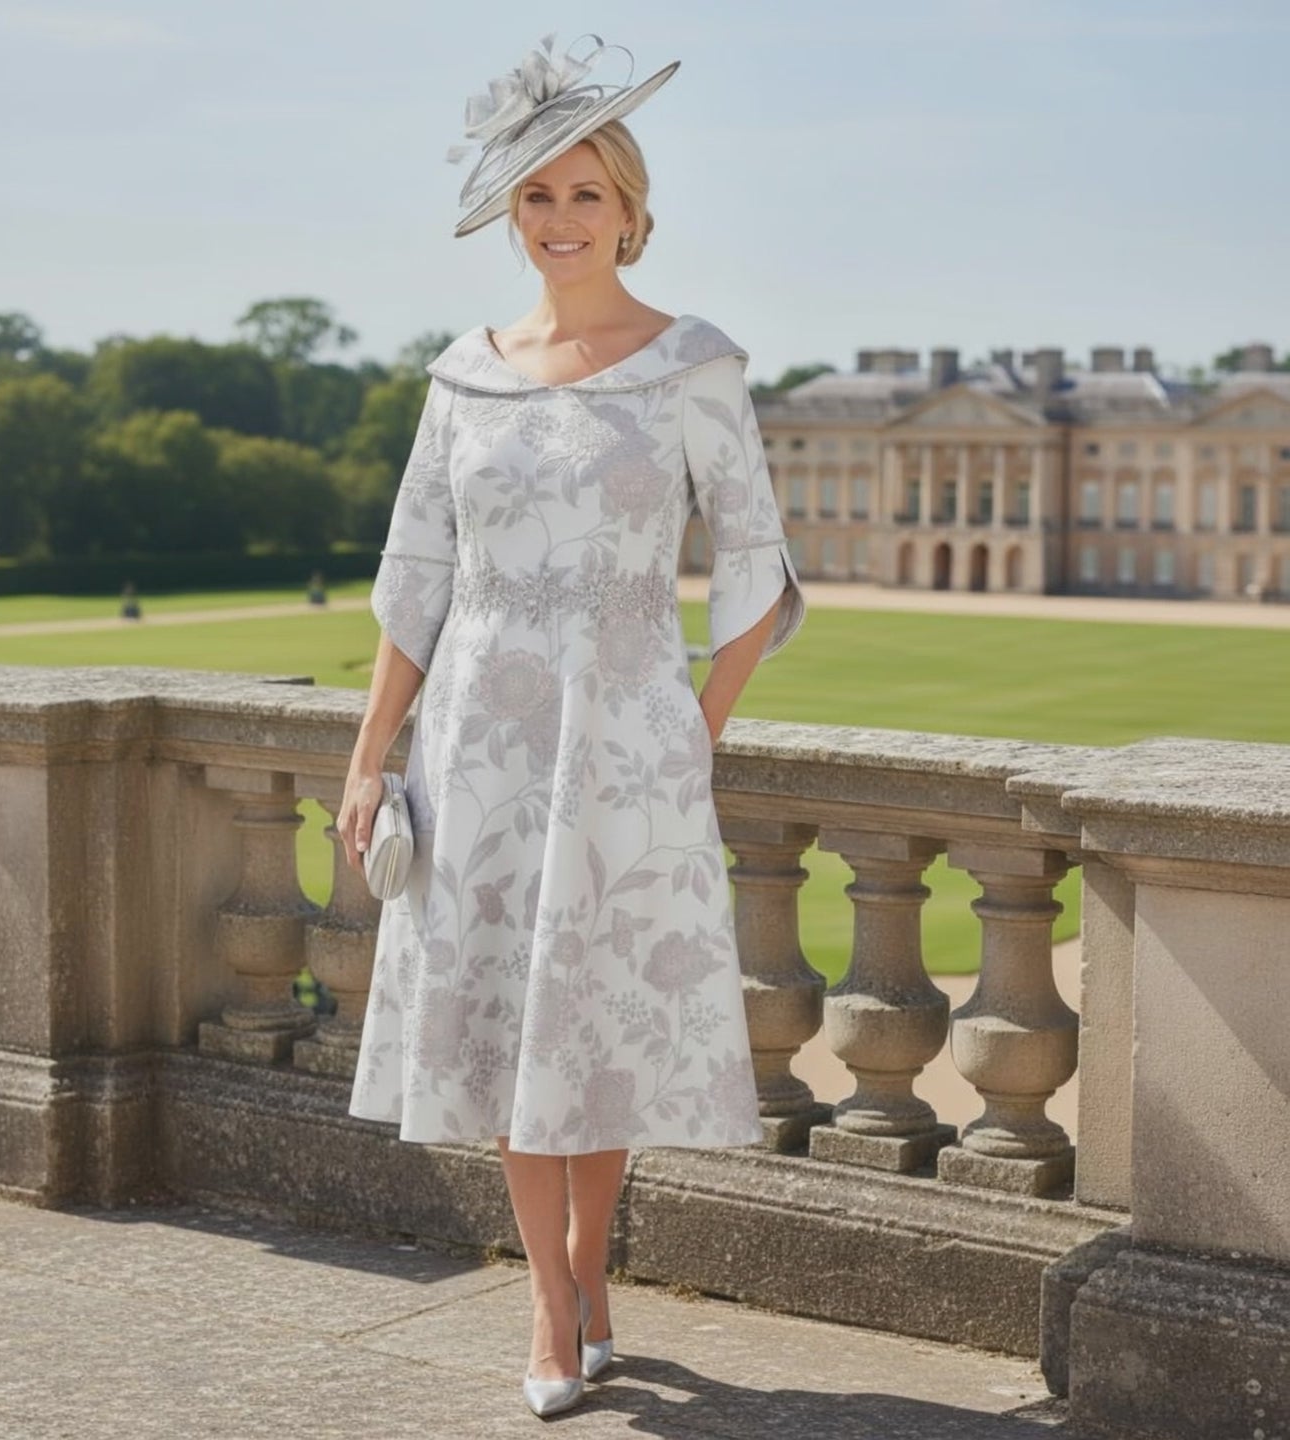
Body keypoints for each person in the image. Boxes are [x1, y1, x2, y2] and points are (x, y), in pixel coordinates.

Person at [335, 32, 805, 1420]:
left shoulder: (693, 364)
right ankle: (553, 1299)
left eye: (584, 194)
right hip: (473, 746)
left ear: (632, 208)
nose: (559, 221)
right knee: (499, 1020)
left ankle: (589, 1268)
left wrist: (692, 726)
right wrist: (371, 755)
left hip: (625, 749)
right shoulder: (459, 377)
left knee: (589, 1027)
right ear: (509, 214)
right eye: (535, 196)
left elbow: (758, 564)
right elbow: (416, 578)